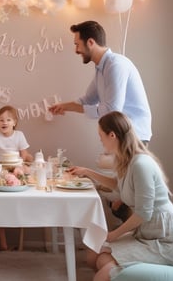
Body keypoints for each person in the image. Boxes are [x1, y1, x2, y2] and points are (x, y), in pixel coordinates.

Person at [68, 111, 173, 281]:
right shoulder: (127, 161)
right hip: (147, 233)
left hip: (167, 240)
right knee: (93, 256)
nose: (100, 140)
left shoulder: (141, 164)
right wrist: (87, 172)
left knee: (101, 272)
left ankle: (115, 271)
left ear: (112, 135)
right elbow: (120, 185)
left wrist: (114, 235)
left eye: (101, 136)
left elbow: (144, 213)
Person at [49, 20, 152, 222]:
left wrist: (75, 107)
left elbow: (112, 110)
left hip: (134, 136)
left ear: (90, 42)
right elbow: (88, 100)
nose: (75, 49)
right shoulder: (100, 69)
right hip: (119, 136)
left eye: (77, 44)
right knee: (118, 196)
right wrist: (64, 106)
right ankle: (126, 241)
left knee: (127, 197)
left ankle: (134, 242)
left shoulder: (116, 65)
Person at [0, 105, 33, 250]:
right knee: (0, 205)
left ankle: (20, 235)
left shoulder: (19, 135)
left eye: (8, 120)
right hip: (2, 171)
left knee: (24, 180)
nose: (4, 123)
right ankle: (3, 242)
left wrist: (28, 160)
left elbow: (25, 155)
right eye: (1, 120)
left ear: (14, 122)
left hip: (17, 169)